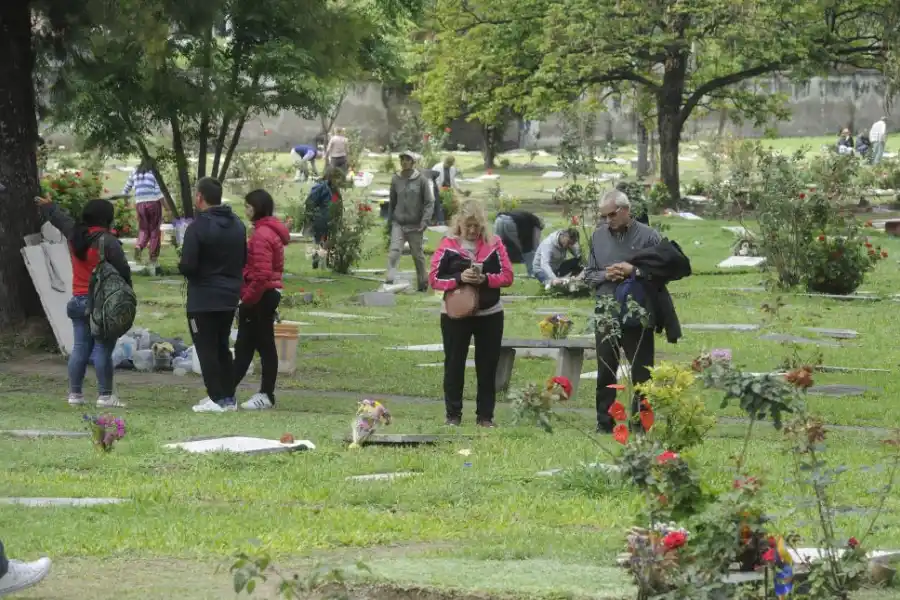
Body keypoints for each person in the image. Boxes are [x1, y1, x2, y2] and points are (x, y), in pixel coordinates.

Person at [584, 190, 689, 434]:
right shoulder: (598, 237)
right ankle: (604, 422)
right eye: (603, 216)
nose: (607, 220)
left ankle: (640, 424)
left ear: (625, 210)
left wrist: (635, 271)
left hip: (638, 310)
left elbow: (667, 270)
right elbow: (588, 274)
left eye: (611, 214)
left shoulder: (649, 236)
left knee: (642, 371)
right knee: (606, 368)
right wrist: (605, 274)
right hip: (606, 309)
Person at [36, 196, 131, 408]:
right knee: (102, 349)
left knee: (80, 348)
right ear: (107, 218)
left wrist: (50, 206)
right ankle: (105, 396)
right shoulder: (108, 241)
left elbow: (61, 219)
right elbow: (124, 272)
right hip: (102, 303)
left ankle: (75, 395)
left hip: (78, 300)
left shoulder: (75, 235)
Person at [429, 199, 514, 427]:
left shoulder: (495, 244)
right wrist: (458, 278)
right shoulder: (448, 244)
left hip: (490, 314)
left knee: (487, 366)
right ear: (459, 222)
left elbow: (508, 277)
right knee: (454, 364)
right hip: (455, 315)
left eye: (477, 226)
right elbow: (434, 279)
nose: (473, 231)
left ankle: (485, 417)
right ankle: (453, 416)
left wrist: (486, 279)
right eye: (469, 225)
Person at [178, 177, 247, 413]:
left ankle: (216, 397)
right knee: (221, 346)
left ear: (200, 197)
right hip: (229, 296)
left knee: (206, 348)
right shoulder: (238, 224)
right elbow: (243, 259)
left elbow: (188, 265)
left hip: (203, 298)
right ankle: (228, 396)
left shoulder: (198, 227)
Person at [234, 190, 289, 411]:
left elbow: (262, 275)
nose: (245, 210)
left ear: (257, 208)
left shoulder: (261, 235)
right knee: (248, 344)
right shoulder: (266, 230)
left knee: (260, 345)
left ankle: (265, 393)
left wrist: (246, 300)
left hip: (261, 295)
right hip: (265, 293)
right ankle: (225, 392)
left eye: (248, 207)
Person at [386, 150, 434, 291]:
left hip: (416, 225)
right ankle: (389, 280)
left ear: (413, 162)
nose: (404, 162)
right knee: (394, 252)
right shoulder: (395, 179)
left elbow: (429, 202)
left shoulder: (421, 180)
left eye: (407, 160)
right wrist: (390, 221)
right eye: (402, 160)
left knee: (417, 255)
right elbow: (392, 202)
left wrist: (425, 221)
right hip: (399, 223)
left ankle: (423, 283)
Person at [122, 159, 164, 266]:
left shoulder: (134, 172)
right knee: (154, 230)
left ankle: (139, 246)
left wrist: (126, 202)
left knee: (143, 229)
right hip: (153, 203)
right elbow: (158, 192)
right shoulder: (154, 173)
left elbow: (126, 190)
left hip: (140, 204)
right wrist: (167, 206)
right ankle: (153, 257)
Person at [305, 167, 343, 269]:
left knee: (330, 240)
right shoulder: (321, 187)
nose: (340, 181)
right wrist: (311, 217)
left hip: (331, 219)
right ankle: (320, 256)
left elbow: (336, 203)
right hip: (322, 219)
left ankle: (321, 257)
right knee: (331, 239)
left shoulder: (334, 189)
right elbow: (310, 202)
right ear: (332, 178)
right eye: (338, 178)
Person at [493, 210, 544, 277]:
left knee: (497, 247)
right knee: (527, 249)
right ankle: (533, 272)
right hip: (511, 223)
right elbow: (535, 245)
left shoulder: (525, 216)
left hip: (499, 220)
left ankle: (494, 270)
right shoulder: (536, 223)